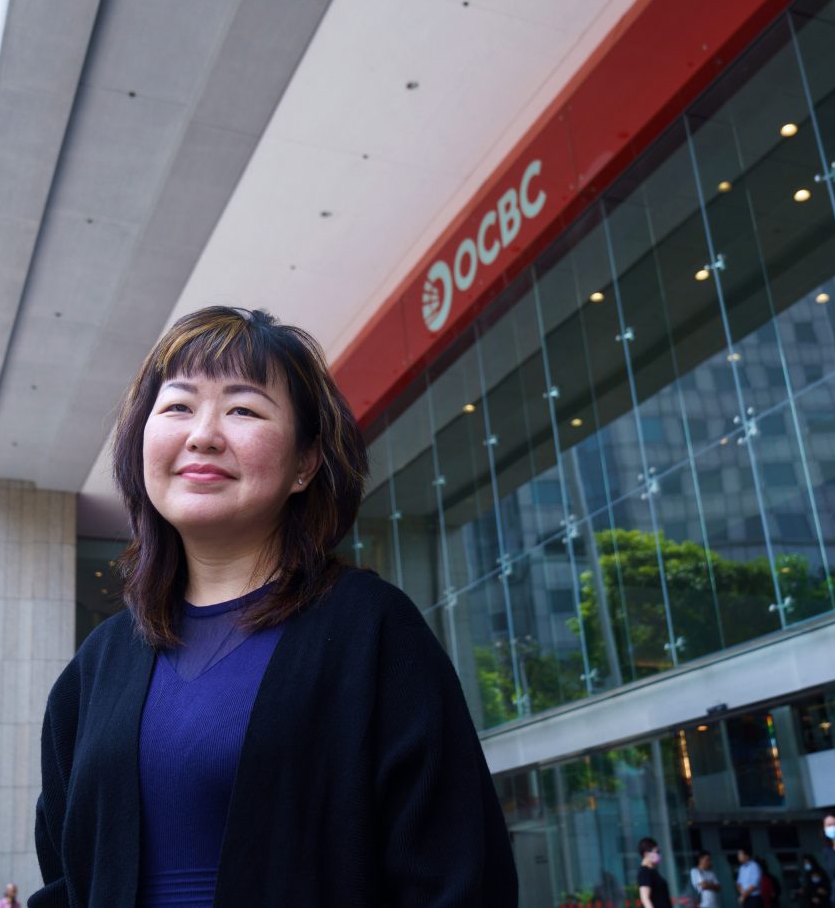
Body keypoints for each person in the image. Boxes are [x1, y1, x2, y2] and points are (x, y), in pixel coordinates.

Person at [30, 308, 517, 907]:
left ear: (305, 464)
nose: (202, 435)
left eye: (243, 409)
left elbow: (458, 877)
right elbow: (63, 880)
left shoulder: (372, 630)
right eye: (178, 406)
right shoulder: (98, 666)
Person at [637, 837, 674, 908]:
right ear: (646, 854)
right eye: (656, 852)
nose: (658, 855)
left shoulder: (653, 871)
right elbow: (645, 898)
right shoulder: (644, 872)